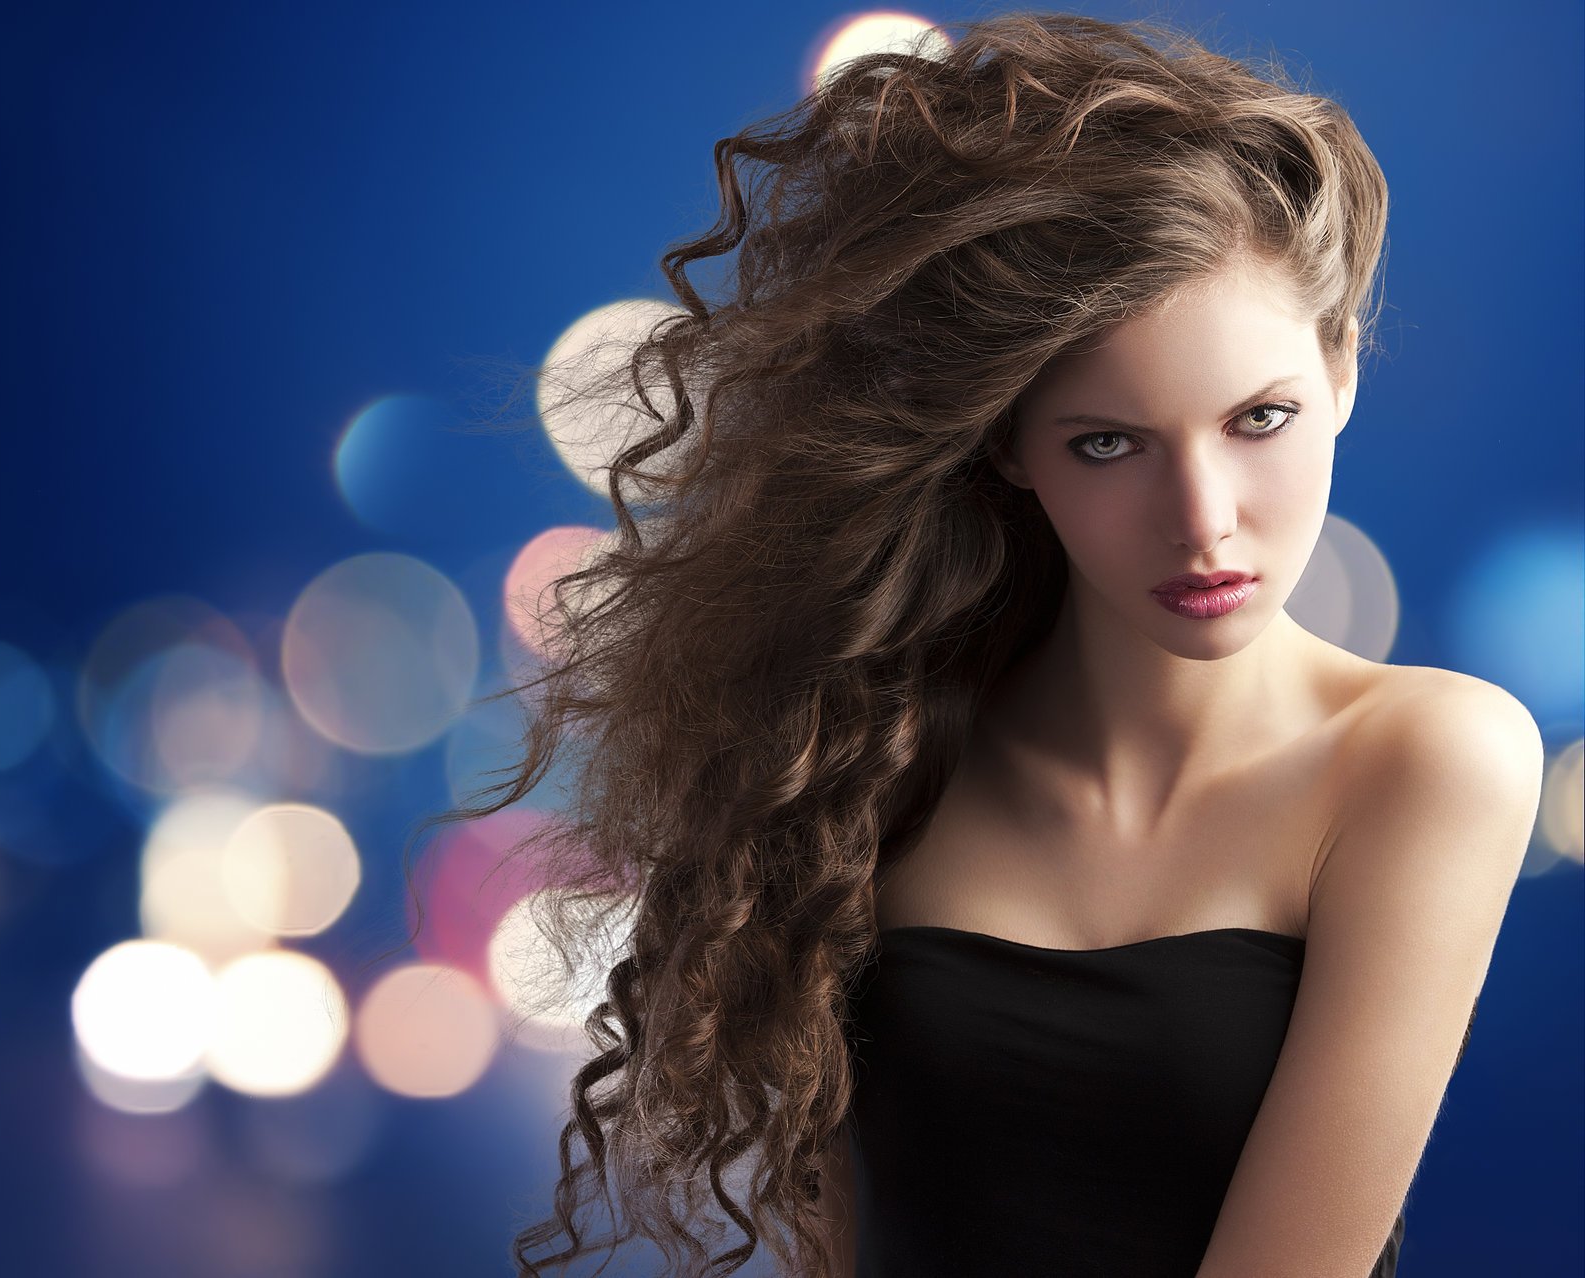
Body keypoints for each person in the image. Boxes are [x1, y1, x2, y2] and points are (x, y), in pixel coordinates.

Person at [402, 11, 1545, 1277]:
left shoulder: (1429, 759)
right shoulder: (859, 760)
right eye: (1107, 443)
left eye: (1259, 419)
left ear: (1341, 371)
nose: (1203, 519)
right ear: (1008, 444)